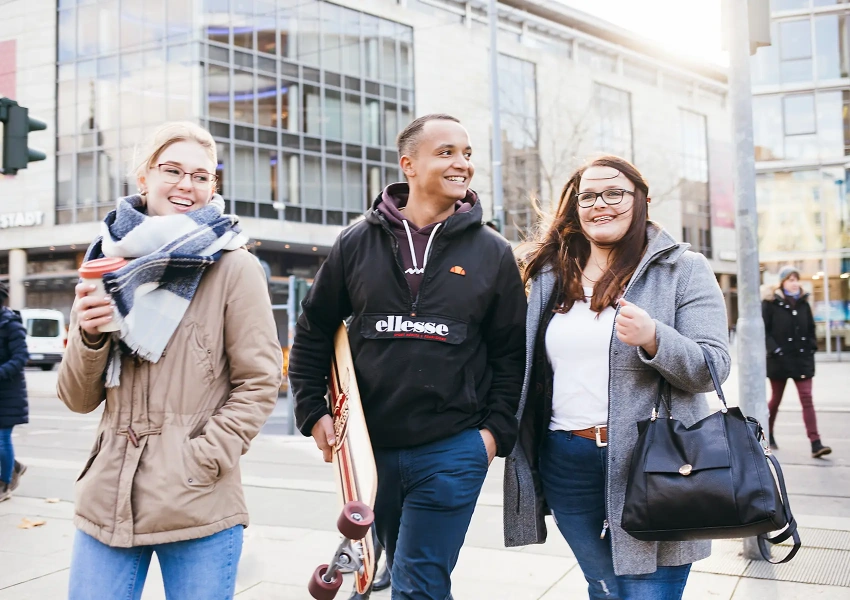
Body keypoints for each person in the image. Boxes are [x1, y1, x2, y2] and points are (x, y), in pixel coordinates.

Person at [289, 113, 526, 600]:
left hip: (452, 449)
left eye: (467, 154)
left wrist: (492, 435)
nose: (462, 163)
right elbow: (314, 330)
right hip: (368, 451)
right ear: (409, 165)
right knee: (384, 572)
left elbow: (511, 355)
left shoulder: (493, 251)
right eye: (446, 153)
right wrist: (312, 411)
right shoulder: (357, 242)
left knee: (419, 582)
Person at [57, 121, 282, 600]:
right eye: (172, 170)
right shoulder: (108, 259)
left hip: (198, 497)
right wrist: (90, 336)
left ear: (213, 186)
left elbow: (260, 381)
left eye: (201, 176)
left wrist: (201, 459)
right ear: (144, 178)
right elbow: (77, 399)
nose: (186, 185)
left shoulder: (233, 264)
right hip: (107, 496)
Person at [504, 156, 731, 599]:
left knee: (647, 593)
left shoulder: (682, 269)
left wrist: (654, 339)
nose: (599, 204)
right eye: (587, 196)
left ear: (641, 200)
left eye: (614, 193)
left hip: (658, 462)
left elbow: (713, 368)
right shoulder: (549, 274)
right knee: (605, 588)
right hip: (566, 456)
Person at [762, 265, 831, 458]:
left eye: (796, 279)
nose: (794, 283)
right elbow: (764, 331)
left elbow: (810, 329)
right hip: (779, 360)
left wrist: (811, 347)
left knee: (807, 399)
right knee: (775, 400)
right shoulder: (770, 303)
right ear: (782, 282)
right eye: (790, 279)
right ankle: (767, 434)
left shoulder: (803, 303)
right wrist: (775, 349)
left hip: (801, 359)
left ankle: (816, 443)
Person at [0, 282, 29, 502]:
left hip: (8, 393)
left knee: (2, 439)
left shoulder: (11, 325)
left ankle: (4, 485)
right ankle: (14, 466)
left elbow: (21, 358)